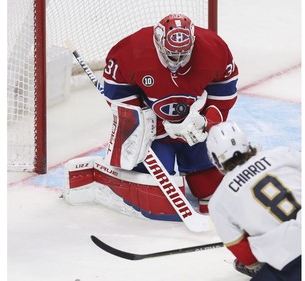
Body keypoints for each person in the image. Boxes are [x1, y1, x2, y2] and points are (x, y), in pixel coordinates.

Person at [101, 13, 239, 214]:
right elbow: (117, 90)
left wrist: (207, 120)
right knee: (156, 193)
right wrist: (145, 123)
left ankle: (200, 170)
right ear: (158, 41)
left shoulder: (213, 48)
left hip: (193, 126)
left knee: (211, 190)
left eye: (184, 54)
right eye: (172, 54)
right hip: (153, 131)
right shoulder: (132, 49)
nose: (178, 61)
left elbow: (224, 86)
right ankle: (142, 174)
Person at [205, 121, 301, 280]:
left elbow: (246, 256)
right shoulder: (282, 154)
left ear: (215, 158)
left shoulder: (218, 202)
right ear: (247, 144)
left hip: (290, 260)